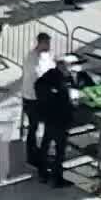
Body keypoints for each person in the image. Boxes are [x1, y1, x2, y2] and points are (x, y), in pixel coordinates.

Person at [34, 55, 78, 186]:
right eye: (66, 66)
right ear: (60, 66)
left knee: (46, 144)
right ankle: (57, 178)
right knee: (59, 149)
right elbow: (64, 99)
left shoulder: (52, 76)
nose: (68, 69)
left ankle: (42, 172)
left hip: (49, 117)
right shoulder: (58, 80)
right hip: (58, 119)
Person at [18, 32, 55, 152]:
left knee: (43, 124)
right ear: (42, 43)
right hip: (31, 98)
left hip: (40, 97)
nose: (49, 46)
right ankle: (32, 149)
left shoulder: (45, 56)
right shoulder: (32, 59)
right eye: (48, 43)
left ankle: (42, 147)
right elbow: (37, 77)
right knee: (33, 125)